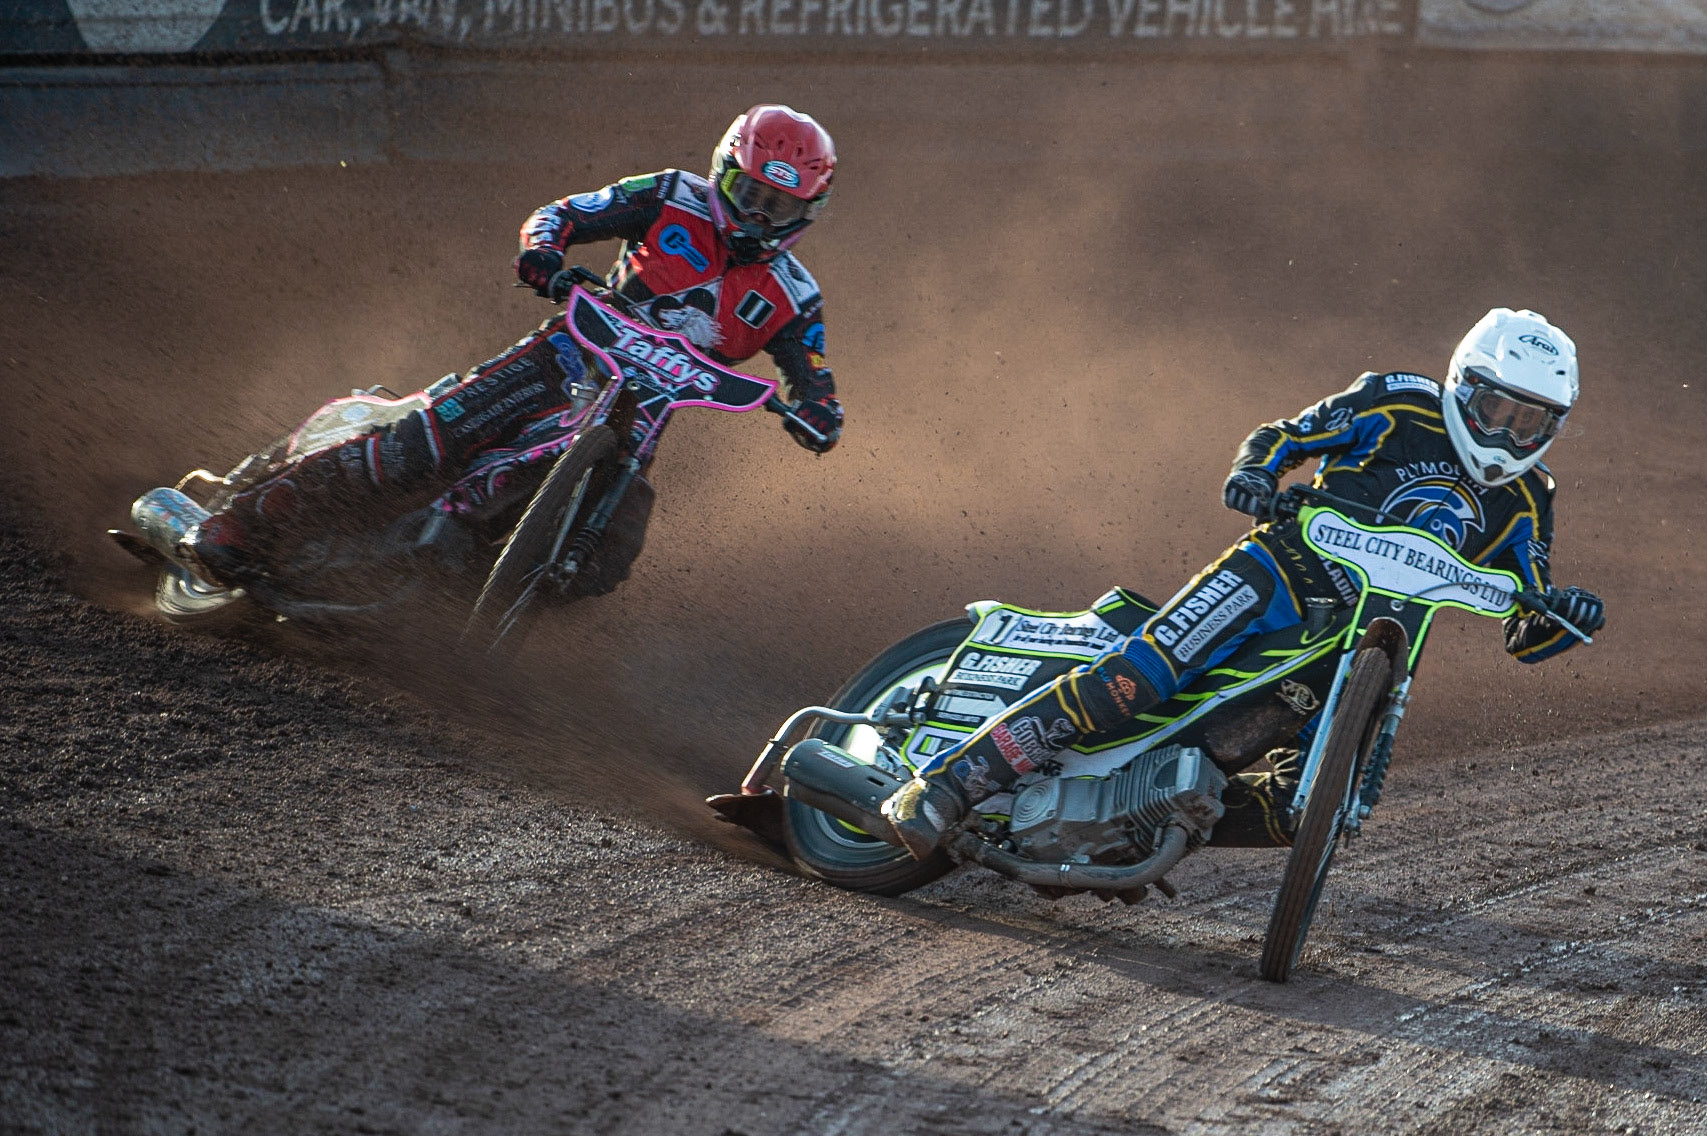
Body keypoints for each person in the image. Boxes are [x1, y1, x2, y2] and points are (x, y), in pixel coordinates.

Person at [880, 308, 1608, 859]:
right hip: (1274, 573)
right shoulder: (1396, 402)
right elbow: (1284, 436)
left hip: (1365, 649)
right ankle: (945, 785)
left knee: (1304, 811)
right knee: (1136, 679)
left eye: (1530, 421)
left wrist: (1563, 615)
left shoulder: (1528, 497)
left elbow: (1524, 617)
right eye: (1495, 411)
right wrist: (1254, 475)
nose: (1508, 434)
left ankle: (1134, 822)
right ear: (1461, 386)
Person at [187, 104, 843, 589]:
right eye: (748, 194)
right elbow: (563, 215)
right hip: (559, 359)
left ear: (805, 215)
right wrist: (544, 260)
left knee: (606, 560)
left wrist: (819, 411)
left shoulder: (793, 294)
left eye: (778, 208)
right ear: (721, 173)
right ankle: (240, 524)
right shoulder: (671, 195)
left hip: (636, 421)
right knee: (417, 449)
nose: (758, 217)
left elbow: (812, 373)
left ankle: (468, 598)